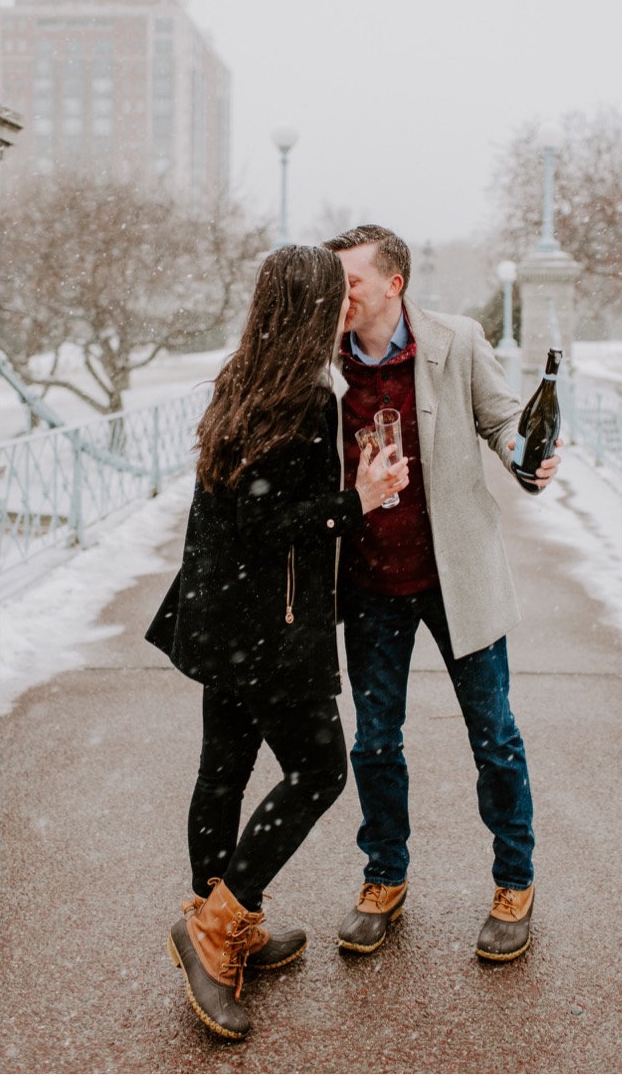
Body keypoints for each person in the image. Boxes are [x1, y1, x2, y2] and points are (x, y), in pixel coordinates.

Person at [146, 245, 409, 1039]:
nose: (344, 310)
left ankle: (218, 913)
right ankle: (217, 929)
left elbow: (236, 512)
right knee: (320, 769)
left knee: (222, 770)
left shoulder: (242, 376)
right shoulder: (303, 399)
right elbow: (267, 527)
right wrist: (356, 499)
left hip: (217, 615)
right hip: (265, 625)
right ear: (315, 310)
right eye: (336, 299)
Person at [324, 225, 561, 963]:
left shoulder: (456, 342)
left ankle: (513, 881)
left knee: (493, 737)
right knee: (375, 742)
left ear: (393, 284)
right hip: (367, 582)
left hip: (455, 575)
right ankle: (384, 878)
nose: (340, 294)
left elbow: (503, 422)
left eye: (351, 281)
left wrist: (529, 460)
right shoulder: (319, 362)